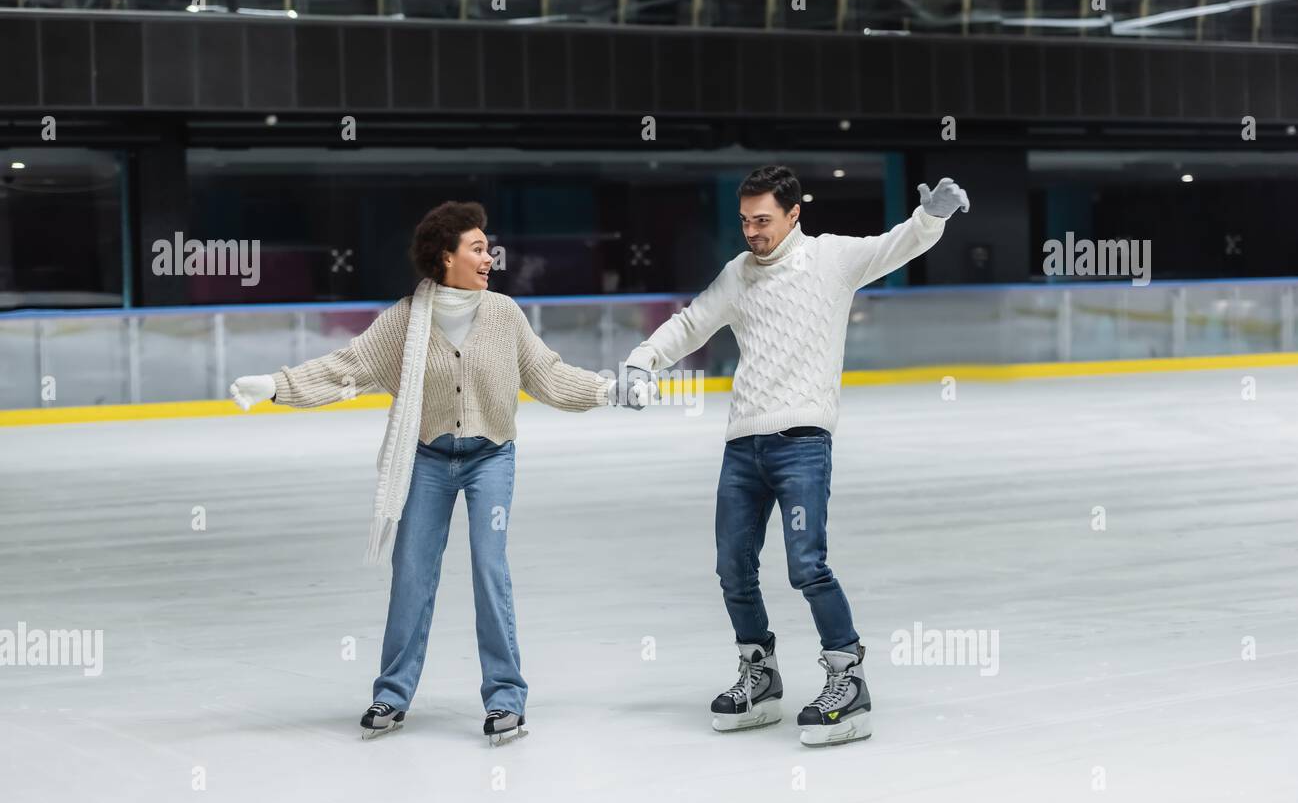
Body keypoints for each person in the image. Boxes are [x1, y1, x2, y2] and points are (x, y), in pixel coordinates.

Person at [229, 201, 649, 745]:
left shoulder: (503, 315)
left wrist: (608, 389)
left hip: (490, 457)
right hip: (427, 458)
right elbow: (346, 368)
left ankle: (505, 698)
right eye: (477, 248)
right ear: (444, 256)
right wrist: (276, 385)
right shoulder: (406, 321)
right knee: (412, 572)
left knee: (488, 567)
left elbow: (547, 374)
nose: (488, 258)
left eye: (488, 247)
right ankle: (392, 692)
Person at [620, 166, 969, 747]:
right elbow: (691, 323)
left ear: (793, 215)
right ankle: (759, 675)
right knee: (733, 568)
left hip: (803, 442)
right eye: (745, 222)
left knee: (807, 565)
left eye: (763, 221)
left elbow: (893, 247)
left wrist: (930, 217)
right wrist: (643, 359)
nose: (753, 232)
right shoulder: (738, 274)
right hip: (742, 444)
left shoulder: (830, 260)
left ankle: (846, 677)